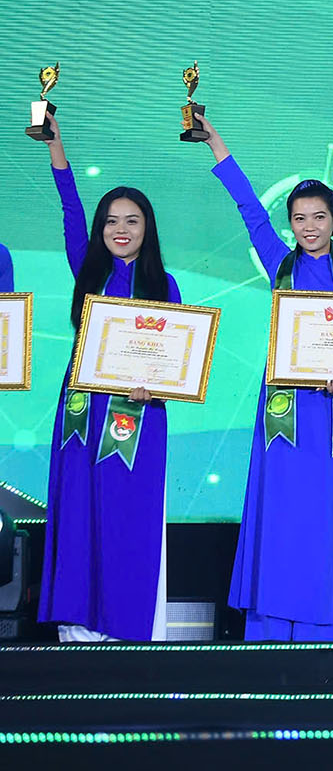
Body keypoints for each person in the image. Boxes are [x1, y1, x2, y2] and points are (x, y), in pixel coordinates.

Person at [199, 116, 333, 641]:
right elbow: (250, 210)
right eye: (299, 218)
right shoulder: (282, 264)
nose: (309, 227)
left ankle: (323, 626)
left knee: (323, 516)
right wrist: (216, 144)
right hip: (285, 411)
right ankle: (271, 628)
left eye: (319, 217)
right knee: (279, 515)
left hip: (331, 412)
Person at [36, 112, 180, 642]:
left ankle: (130, 628)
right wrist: (56, 147)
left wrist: (154, 387)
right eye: (112, 221)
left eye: (132, 221)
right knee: (80, 510)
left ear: (148, 228)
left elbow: (174, 360)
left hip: (139, 412)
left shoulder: (164, 286)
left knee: (127, 514)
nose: (121, 229)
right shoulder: (89, 271)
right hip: (84, 409)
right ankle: (79, 628)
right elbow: (71, 209)